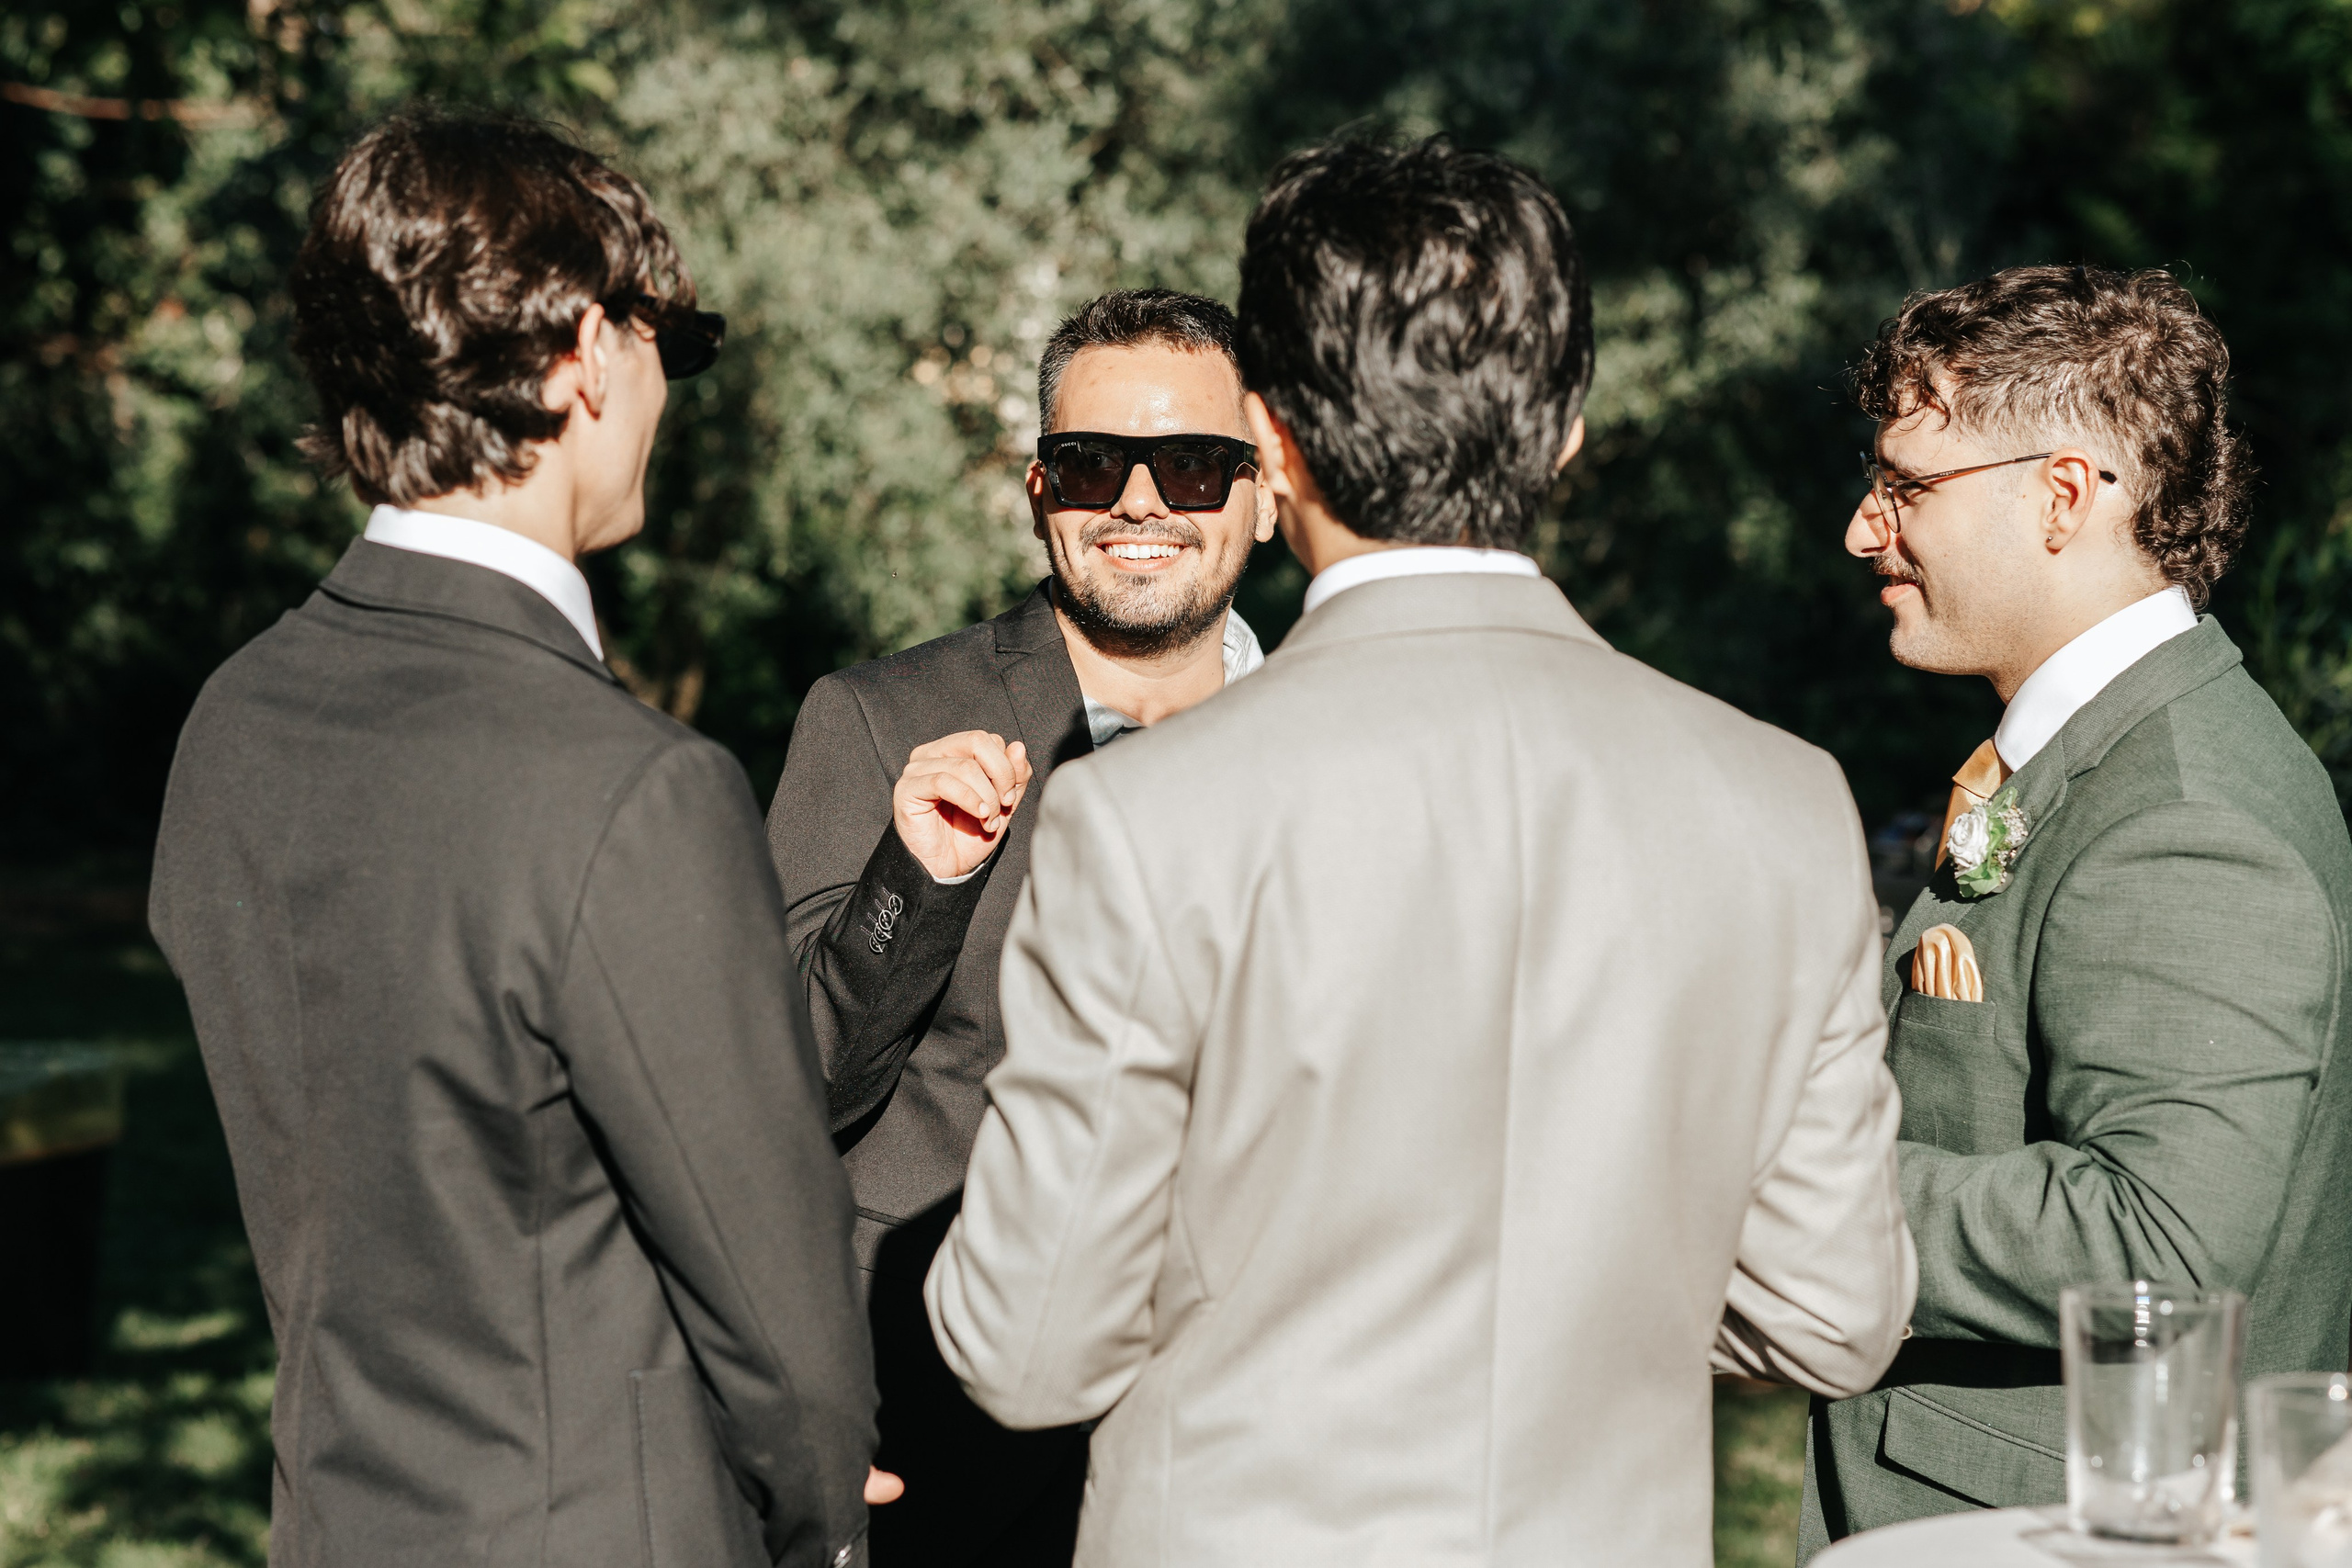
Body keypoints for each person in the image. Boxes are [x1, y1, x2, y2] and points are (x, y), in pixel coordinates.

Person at [924, 138, 1917, 1567]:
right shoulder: (1783, 802)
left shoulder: (1147, 815)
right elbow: (1831, 1311)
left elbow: (1027, 1352)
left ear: (1271, 439)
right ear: (1567, 429)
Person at [147, 107, 881, 1568]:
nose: (672, 384)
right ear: (585, 352)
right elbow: (788, 1348)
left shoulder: (234, 722)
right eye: (672, 339)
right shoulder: (633, 790)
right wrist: (822, 1522)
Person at [1801, 265, 2352, 1555]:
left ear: (2063, 495)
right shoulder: (2102, 754)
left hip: (2068, 1533)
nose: (1863, 530)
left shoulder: (2184, 809)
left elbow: (2158, 1238)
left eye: (1906, 486)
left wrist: (1788, 1191)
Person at [764, 288, 1276, 1565]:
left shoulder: (1355, 740)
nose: (1141, 503)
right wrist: (917, 874)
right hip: (943, 1441)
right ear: (1040, 487)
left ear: (1268, 488)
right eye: (1095, 462)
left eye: (1197, 467)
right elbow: (775, 1094)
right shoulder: (880, 721)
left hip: (1258, 1444)